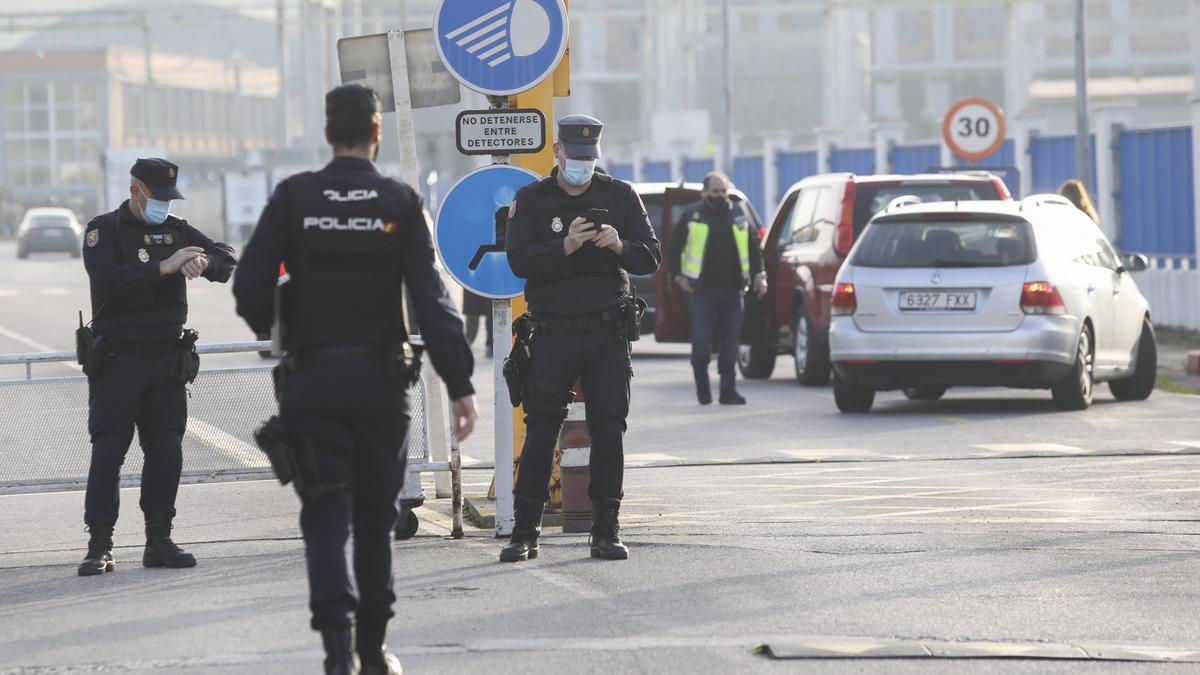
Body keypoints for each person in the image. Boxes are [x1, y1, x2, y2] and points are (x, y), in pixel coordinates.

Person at [233, 84, 478, 675]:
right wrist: (460, 383)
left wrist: (282, 326)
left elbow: (247, 288)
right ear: (375, 133)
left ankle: (336, 653)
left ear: (327, 134)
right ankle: (373, 651)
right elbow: (433, 303)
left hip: (311, 383)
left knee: (323, 516)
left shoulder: (293, 198)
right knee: (374, 520)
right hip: (381, 386)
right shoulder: (398, 202)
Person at [502, 114, 661, 563]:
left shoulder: (620, 195)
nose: (583, 166)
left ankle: (605, 530)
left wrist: (619, 247)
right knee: (541, 431)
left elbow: (651, 255)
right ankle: (524, 532)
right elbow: (518, 261)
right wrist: (564, 248)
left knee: (609, 429)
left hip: (607, 332)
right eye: (576, 158)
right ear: (558, 153)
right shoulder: (532, 200)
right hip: (552, 332)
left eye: (590, 159)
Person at [78, 158, 237, 576]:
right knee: (109, 451)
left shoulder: (179, 231)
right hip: (118, 360)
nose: (163, 206)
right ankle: (99, 546)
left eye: (169, 199)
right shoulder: (104, 230)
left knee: (166, 451)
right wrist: (165, 266)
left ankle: (159, 540)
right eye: (156, 198)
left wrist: (205, 264)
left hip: (166, 361)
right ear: (136, 192)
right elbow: (107, 277)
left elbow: (226, 255)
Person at [666, 172, 766, 405]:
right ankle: (703, 389)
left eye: (723, 191)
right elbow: (673, 249)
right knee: (701, 345)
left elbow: (754, 248)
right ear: (704, 193)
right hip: (702, 291)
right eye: (715, 192)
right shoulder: (693, 215)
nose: (720, 196)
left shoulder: (738, 215)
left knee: (730, 345)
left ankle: (728, 391)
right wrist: (679, 277)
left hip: (733, 291)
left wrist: (759, 275)